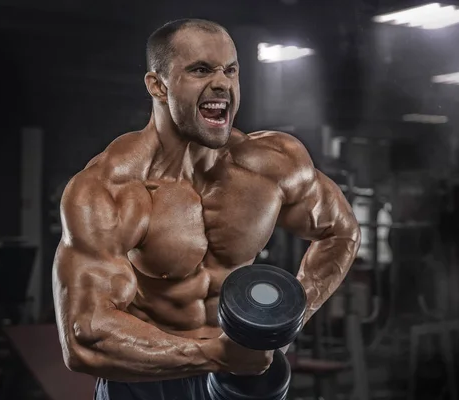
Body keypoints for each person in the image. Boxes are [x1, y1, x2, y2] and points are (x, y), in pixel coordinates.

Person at [52, 18, 361, 400]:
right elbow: (85, 336)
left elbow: (340, 231)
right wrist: (212, 355)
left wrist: (285, 326)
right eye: (200, 70)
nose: (222, 84)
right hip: (147, 379)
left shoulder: (271, 164)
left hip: (237, 378)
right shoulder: (112, 187)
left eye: (230, 70)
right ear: (157, 85)